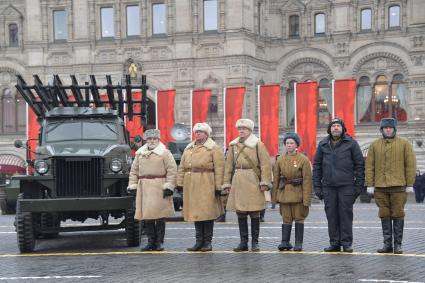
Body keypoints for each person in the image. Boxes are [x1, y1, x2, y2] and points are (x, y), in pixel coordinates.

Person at [313, 118, 364, 253]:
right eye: (333, 126)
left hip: (346, 186)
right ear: (329, 129)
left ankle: (346, 243)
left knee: (346, 215)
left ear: (343, 129)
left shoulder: (351, 144)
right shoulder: (323, 144)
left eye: (338, 126)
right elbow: (317, 166)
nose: (336, 128)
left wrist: (358, 186)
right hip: (328, 187)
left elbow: (360, 165)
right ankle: (334, 242)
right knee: (331, 215)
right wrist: (317, 186)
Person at [366, 118, 416, 254]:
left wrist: (409, 183)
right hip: (380, 187)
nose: (388, 130)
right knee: (384, 214)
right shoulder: (374, 145)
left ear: (394, 129)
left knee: (398, 214)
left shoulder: (404, 144)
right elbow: (369, 166)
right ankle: (387, 244)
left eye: (390, 127)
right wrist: (370, 184)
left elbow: (410, 165)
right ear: (381, 129)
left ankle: (398, 245)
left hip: (399, 187)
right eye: (385, 128)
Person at [223, 118, 272, 252]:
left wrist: (265, 182)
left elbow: (265, 165)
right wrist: (226, 183)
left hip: (253, 179)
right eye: (239, 129)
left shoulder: (258, 144)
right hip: (238, 179)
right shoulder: (233, 145)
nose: (241, 131)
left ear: (250, 130)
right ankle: (243, 242)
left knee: (255, 212)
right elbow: (228, 166)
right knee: (241, 213)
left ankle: (255, 243)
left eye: (244, 129)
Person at [176, 123, 225, 252]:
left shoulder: (213, 148)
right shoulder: (189, 148)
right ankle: (199, 241)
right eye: (196, 132)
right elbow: (182, 167)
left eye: (201, 132)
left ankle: (207, 242)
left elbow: (220, 168)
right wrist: (179, 183)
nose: (198, 134)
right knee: (196, 213)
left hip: (207, 182)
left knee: (207, 213)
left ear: (206, 134)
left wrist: (218, 186)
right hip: (191, 184)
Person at [128, 129, 177, 251]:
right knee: (147, 217)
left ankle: (159, 242)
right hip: (144, 187)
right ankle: (151, 241)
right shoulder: (140, 154)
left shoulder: (165, 153)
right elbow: (133, 171)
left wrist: (169, 186)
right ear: (146, 140)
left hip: (159, 186)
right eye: (150, 139)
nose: (152, 141)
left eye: (154, 138)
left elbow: (172, 170)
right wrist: (133, 185)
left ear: (158, 139)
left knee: (160, 216)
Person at [272, 132, 312, 251]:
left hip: (298, 193)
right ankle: (285, 242)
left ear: (296, 145)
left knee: (299, 217)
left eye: (292, 143)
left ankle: (298, 243)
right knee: (286, 218)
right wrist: (274, 198)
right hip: (284, 194)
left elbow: (307, 181)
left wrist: (306, 199)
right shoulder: (280, 159)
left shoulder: (303, 159)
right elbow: (276, 180)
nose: (289, 145)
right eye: (287, 143)